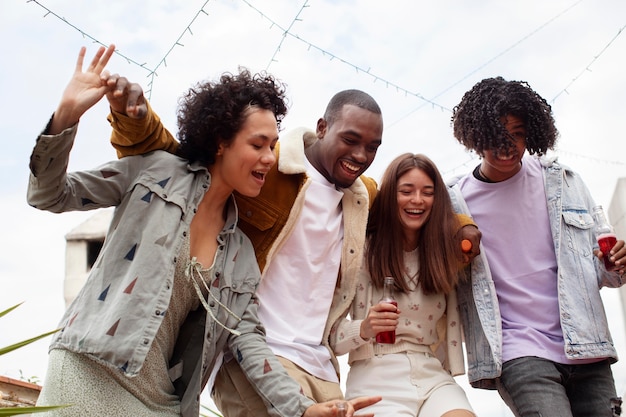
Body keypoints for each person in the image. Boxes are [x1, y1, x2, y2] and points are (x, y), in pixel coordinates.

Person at [27, 44, 380, 417]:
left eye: (273, 146)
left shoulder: (239, 250)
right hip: (89, 367)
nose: (268, 157)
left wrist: (303, 409)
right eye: (257, 144)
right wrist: (67, 115)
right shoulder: (155, 173)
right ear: (220, 142)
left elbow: (248, 340)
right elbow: (50, 194)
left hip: (161, 397)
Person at [104, 75, 481, 416]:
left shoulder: (362, 197)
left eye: (372, 147)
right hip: (255, 352)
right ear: (322, 128)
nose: (361, 156)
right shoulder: (270, 168)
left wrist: (463, 230)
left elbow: (412, 210)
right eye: (350, 140)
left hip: (320, 362)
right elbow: (185, 162)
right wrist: (133, 120)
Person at [447, 76, 626, 417]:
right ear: (475, 136)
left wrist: (616, 263)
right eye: (496, 135)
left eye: (517, 134)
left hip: (586, 343)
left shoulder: (564, 182)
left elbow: (607, 274)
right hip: (518, 350)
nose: (508, 145)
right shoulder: (456, 201)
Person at [330, 153, 475, 417]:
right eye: (406, 191)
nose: (417, 200)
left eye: (427, 192)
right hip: (375, 378)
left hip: (433, 376)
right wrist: (364, 328)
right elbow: (329, 336)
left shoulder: (443, 255)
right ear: (389, 197)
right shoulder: (361, 251)